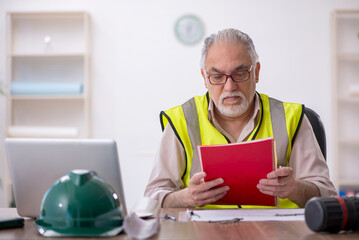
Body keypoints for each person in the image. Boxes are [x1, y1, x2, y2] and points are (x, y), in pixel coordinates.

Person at [145, 28, 337, 209]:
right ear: (204, 77)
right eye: (217, 76)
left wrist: (295, 188)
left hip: (278, 231)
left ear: (256, 72)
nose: (229, 87)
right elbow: (152, 198)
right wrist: (186, 197)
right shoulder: (181, 120)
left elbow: (327, 195)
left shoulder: (292, 118)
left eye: (240, 73)